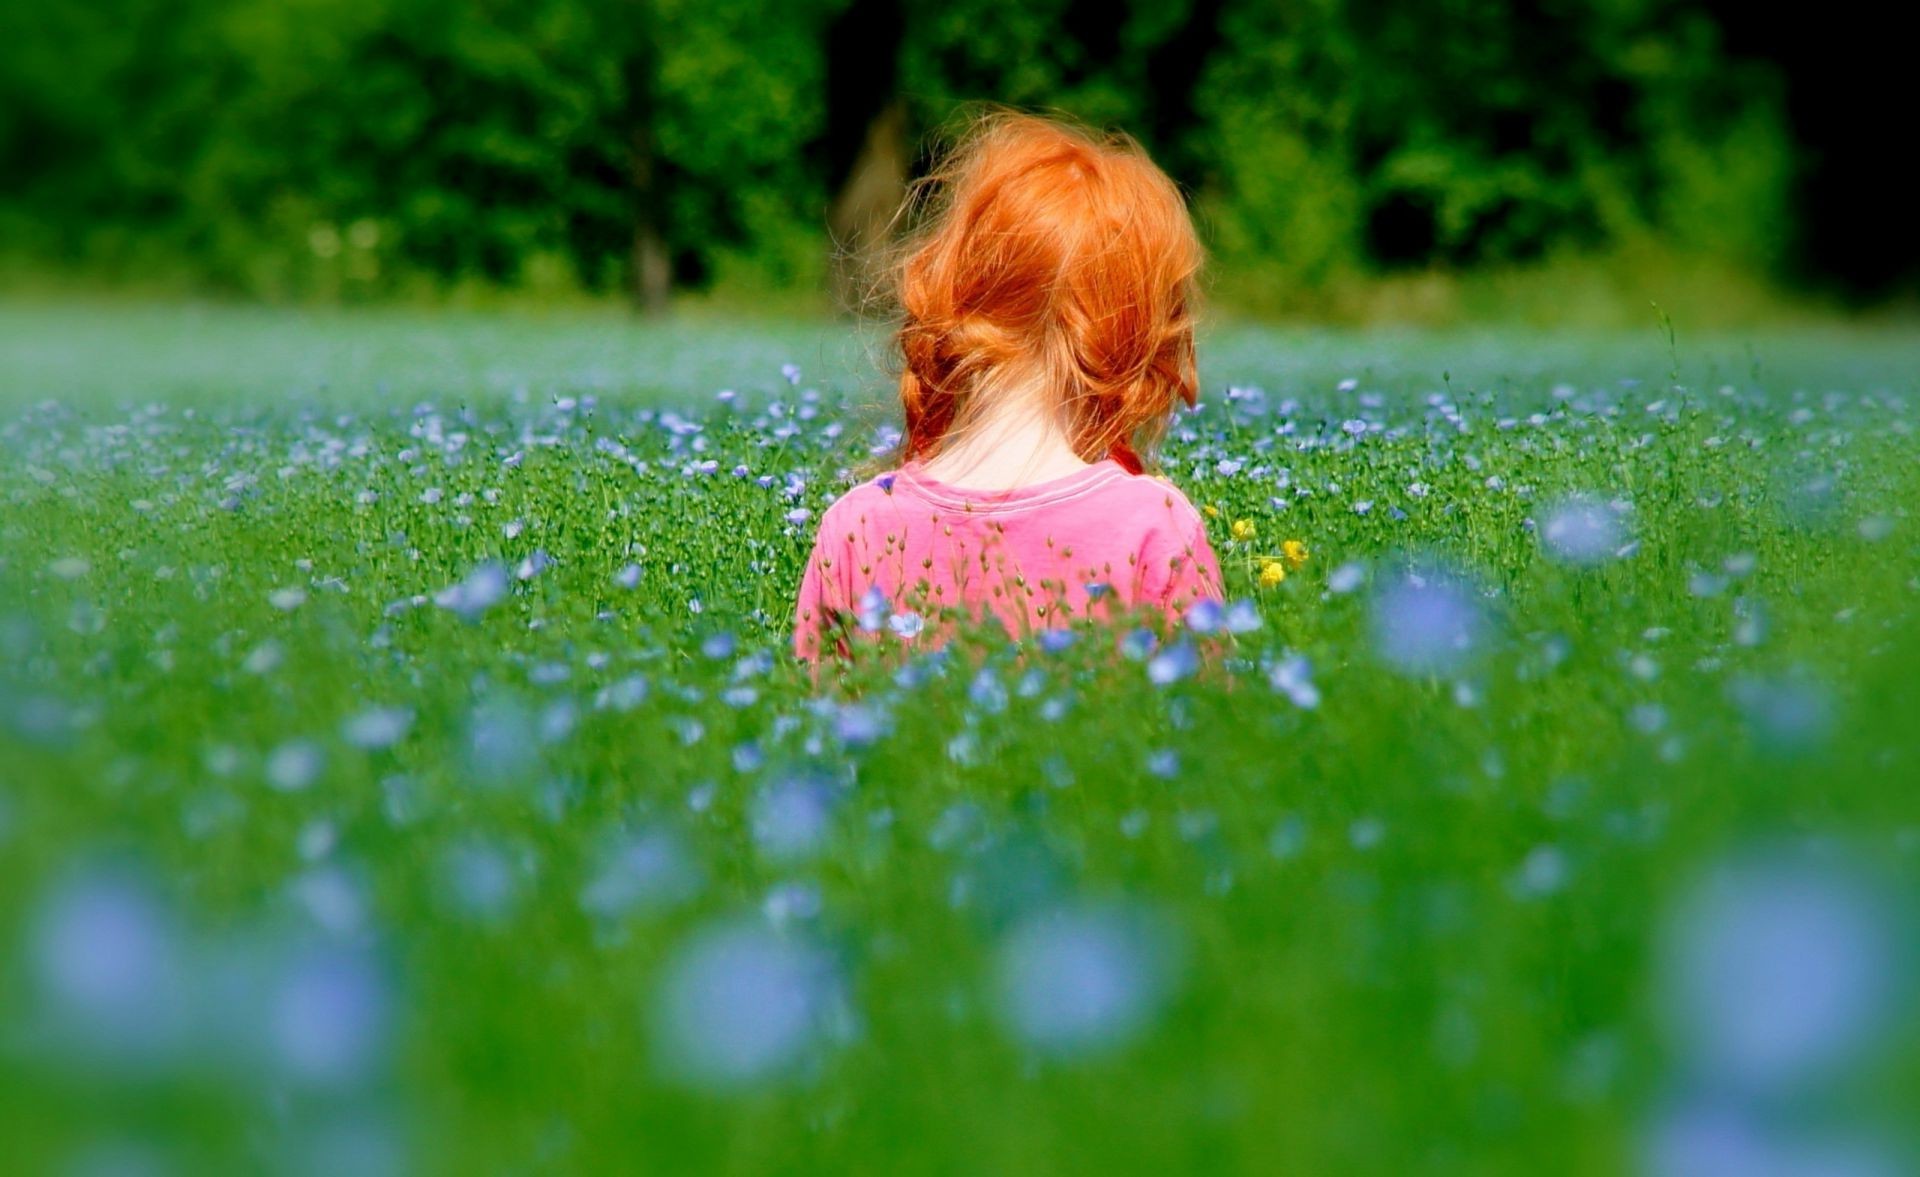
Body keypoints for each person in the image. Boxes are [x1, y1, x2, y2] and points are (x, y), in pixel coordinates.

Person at [794, 109, 1223, 665]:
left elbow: (820, 733)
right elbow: (1211, 734)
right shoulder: (1153, 527)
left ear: (950, 289)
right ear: (1137, 340)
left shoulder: (855, 529)